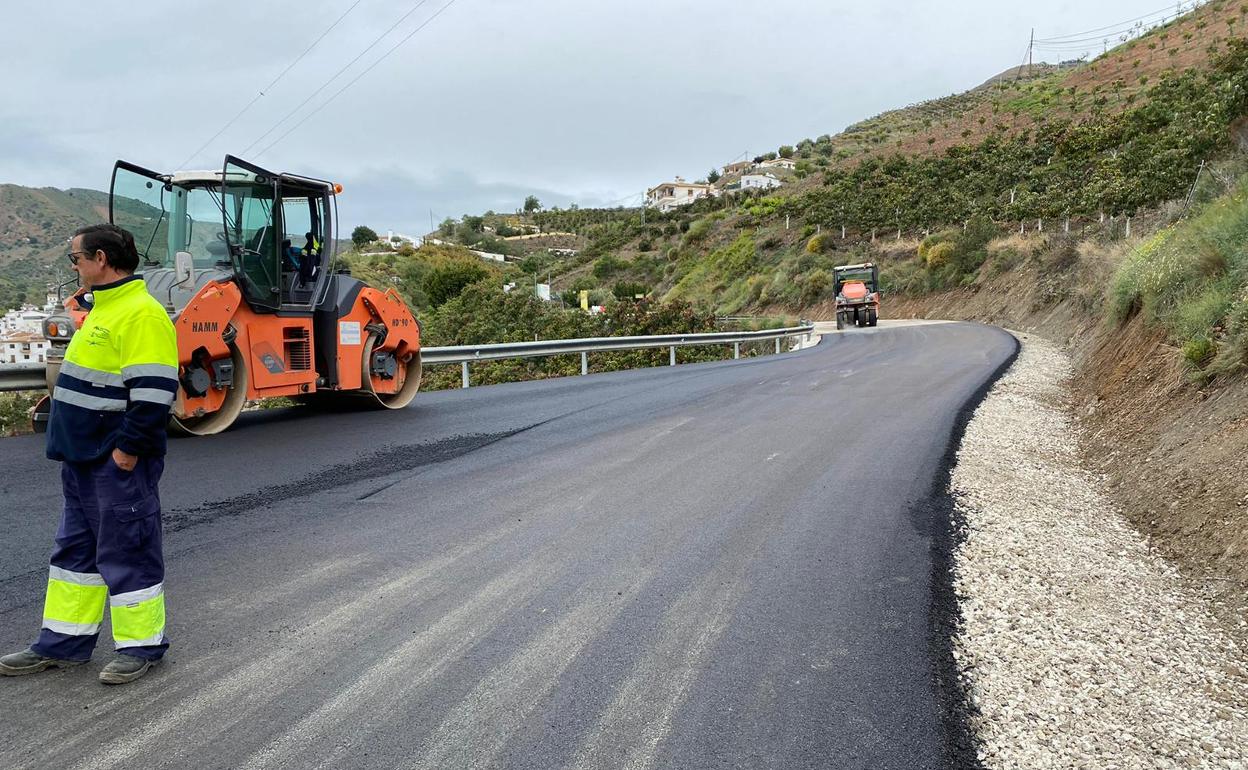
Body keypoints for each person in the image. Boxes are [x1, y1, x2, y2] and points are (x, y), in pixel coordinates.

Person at [0, 224, 179, 685]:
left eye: (76, 258)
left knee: (128, 548)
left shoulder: (141, 314)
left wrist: (126, 452)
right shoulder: (102, 309)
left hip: (113, 458)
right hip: (82, 457)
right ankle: (62, 644)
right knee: (75, 553)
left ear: (101, 258)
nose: (74, 266)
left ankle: (141, 648)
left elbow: (154, 393)